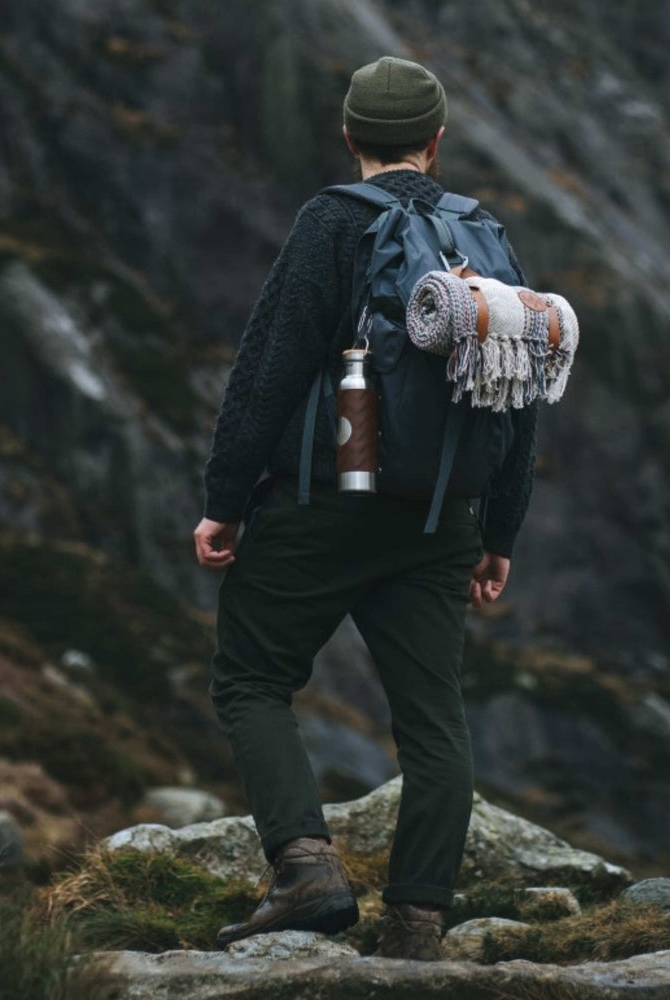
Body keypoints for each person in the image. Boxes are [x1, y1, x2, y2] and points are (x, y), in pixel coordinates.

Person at [192, 56, 536, 961]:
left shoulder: (331, 224)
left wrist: (224, 501)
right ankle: (417, 924)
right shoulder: (482, 233)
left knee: (252, 679)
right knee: (433, 721)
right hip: (438, 522)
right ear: (436, 141)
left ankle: (305, 869)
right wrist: (496, 531)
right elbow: (518, 391)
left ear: (349, 137)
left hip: (321, 504)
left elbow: (269, 369)